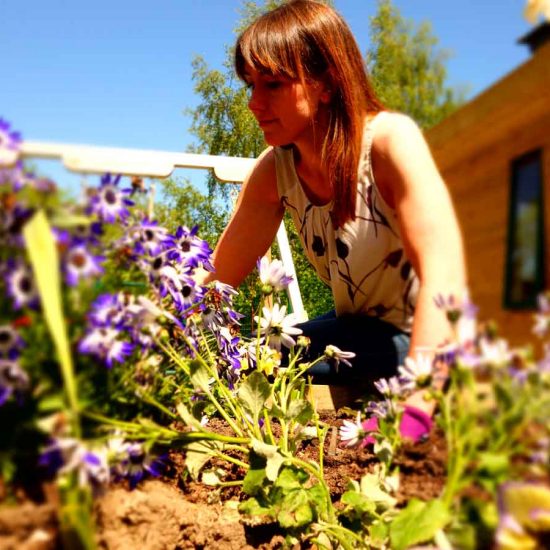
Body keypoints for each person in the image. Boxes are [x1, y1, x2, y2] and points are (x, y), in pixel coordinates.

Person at [200, 0, 467, 404]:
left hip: (425, 341)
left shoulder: (390, 143)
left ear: (326, 82)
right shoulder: (275, 171)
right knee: (239, 353)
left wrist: (419, 405)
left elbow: (444, 282)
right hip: (352, 332)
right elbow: (214, 284)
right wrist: (158, 325)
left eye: (272, 84)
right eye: (250, 84)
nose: (254, 102)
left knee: (266, 354)